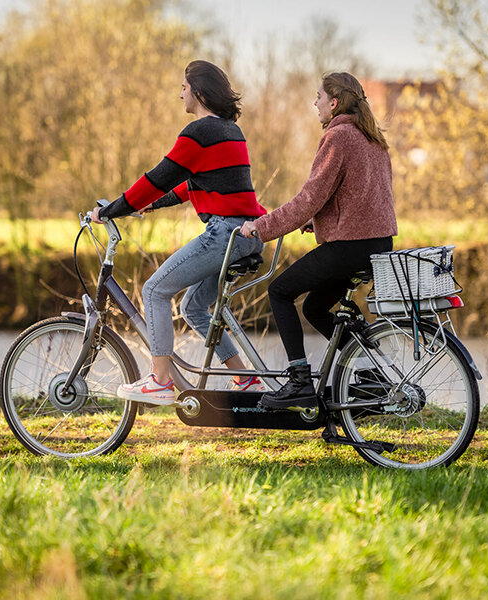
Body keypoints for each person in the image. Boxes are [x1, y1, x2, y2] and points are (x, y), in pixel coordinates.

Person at [91, 60, 267, 405]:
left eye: (184, 88)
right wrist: (151, 206)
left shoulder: (199, 132)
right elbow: (192, 184)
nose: (180, 94)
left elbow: (158, 178)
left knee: (155, 290)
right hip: (248, 235)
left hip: (225, 234)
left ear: (199, 92)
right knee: (194, 308)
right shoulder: (230, 130)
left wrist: (111, 210)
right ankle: (244, 377)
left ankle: (159, 381)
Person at [240, 72, 397, 410]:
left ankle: (299, 382)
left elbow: (308, 198)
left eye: (318, 97)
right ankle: (373, 374)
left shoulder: (338, 136)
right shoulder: (372, 137)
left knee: (279, 291)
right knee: (313, 307)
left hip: (349, 248)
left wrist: (262, 226)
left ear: (334, 102)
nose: (315, 103)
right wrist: (321, 220)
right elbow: (363, 197)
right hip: (378, 244)